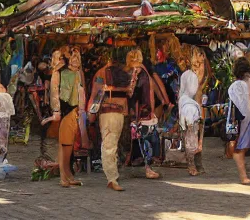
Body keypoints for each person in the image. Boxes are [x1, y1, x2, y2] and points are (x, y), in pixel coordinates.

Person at [87, 53, 133, 191]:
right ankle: (112, 178)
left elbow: (95, 95)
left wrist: (91, 113)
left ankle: (112, 177)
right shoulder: (121, 73)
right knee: (110, 145)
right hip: (116, 113)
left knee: (110, 145)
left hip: (111, 113)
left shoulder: (103, 73)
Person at [50, 47, 86, 188]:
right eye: (73, 57)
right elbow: (54, 93)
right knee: (65, 144)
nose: (76, 60)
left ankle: (68, 175)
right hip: (66, 110)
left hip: (75, 110)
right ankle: (64, 176)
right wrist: (57, 110)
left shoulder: (77, 73)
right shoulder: (59, 73)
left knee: (69, 144)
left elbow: (81, 92)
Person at [126, 48, 165, 181]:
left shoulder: (136, 72)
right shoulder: (145, 71)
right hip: (146, 112)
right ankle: (147, 166)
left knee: (143, 140)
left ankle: (147, 167)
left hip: (140, 112)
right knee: (147, 140)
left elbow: (132, 93)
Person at [228, 57, 250, 185]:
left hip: (239, 119)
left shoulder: (235, 86)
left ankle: (243, 175)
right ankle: (243, 175)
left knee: (239, 148)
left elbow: (234, 105)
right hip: (249, 118)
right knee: (241, 148)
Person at [178, 47, 207, 176]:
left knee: (196, 134)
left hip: (195, 104)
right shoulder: (189, 75)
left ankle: (197, 164)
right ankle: (192, 165)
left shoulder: (194, 73)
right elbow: (189, 91)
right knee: (191, 135)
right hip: (191, 105)